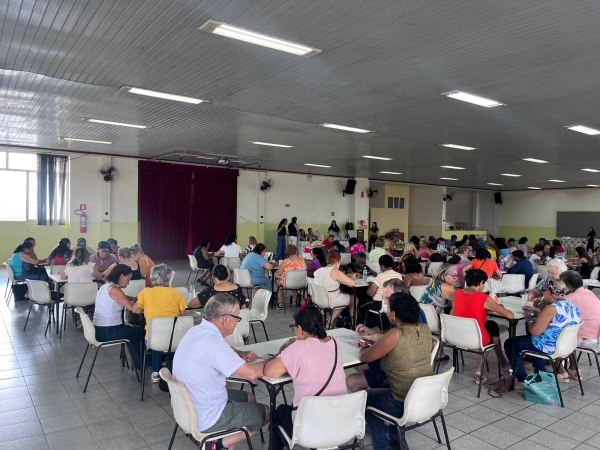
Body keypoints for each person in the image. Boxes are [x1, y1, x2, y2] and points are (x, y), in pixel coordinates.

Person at [172, 294, 269, 448]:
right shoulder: (213, 344)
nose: (237, 322)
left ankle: (228, 434)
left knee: (250, 397)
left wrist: (240, 353)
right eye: (237, 317)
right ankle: (219, 444)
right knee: (265, 412)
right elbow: (251, 373)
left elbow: (219, 350)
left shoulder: (196, 331)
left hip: (187, 407)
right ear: (226, 319)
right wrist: (277, 360)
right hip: (207, 415)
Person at [264, 306, 347, 450]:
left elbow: (269, 371)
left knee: (280, 413)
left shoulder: (298, 347)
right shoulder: (334, 342)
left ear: (300, 329)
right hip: (341, 422)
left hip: (311, 426)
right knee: (294, 407)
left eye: (294, 327)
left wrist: (285, 348)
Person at [359, 293, 433, 450]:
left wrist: (363, 346)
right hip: (427, 396)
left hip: (405, 401)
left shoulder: (396, 333)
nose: (386, 311)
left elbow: (365, 357)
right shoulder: (425, 329)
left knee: (364, 399)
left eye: (388, 308)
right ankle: (397, 442)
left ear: (394, 313)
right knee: (386, 383)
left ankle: (383, 447)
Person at [504, 280, 581, 382]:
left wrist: (528, 318)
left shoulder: (552, 308)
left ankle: (523, 378)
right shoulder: (571, 304)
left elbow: (534, 331)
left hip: (550, 346)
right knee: (533, 341)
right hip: (567, 346)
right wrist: (537, 311)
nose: (542, 294)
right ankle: (541, 373)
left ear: (548, 292)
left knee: (510, 344)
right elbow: (556, 319)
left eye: (543, 291)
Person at [453, 270, 514, 383]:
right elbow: (510, 316)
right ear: (481, 282)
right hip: (476, 338)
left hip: (457, 336)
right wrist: (500, 307)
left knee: (492, 326)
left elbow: (468, 307)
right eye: (484, 283)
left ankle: (501, 361)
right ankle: (480, 369)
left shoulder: (457, 293)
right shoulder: (482, 297)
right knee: (491, 331)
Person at [133, 264, 187, 382]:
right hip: (175, 338)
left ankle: (156, 373)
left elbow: (135, 310)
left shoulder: (145, 292)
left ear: (152, 277)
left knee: (156, 343)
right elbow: (184, 316)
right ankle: (174, 369)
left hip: (154, 340)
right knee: (172, 338)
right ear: (169, 278)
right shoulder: (176, 293)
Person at [93, 264, 143, 369]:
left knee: (135, 331)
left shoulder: (105, 286)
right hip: (109, 332)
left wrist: (133, 298)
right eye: (128, 279)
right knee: (141, 332)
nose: (128, 283)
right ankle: (143, 363)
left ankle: (140, 363)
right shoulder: (115, 290)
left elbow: (122, 297)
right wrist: (144, 300)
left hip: (100, 330)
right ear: (121, 277)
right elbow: (133, 309)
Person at [560, 270, 600, 380]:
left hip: (587, 340)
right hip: (597, 338)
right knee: (571, 333)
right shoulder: (590, 293)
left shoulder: (570, 298)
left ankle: (561, 371)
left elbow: (554, 312)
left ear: (568, 286)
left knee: (557, 336)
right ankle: (573, 369)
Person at [314, 251, 357, 328]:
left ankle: (331, 322)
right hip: (332, 300)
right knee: (355, 299)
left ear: (327, 260)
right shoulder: (335, 271)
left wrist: (347, 276)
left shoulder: (318, 271)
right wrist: (353, 278)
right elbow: (352, 284)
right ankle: (353, 325)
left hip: (319, 299)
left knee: (343, 298)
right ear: (337, 261)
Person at [361, 256, 403, 326]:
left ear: (382, 266)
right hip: (394, 304)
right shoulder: (399, 275)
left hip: (380, 303)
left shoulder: (380, 276)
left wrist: (370, 285)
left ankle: (369, 326)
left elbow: (371, 293)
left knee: (361, 306)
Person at [275, 245, 307, 309]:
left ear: (287, 252)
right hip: (300, 283)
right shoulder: (302, 261)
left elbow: (279, 273)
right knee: (294, 284)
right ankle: (294, 302)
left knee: (279, 284)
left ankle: (280, 303)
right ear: (296, 251)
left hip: (287, 283)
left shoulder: (286, 261)